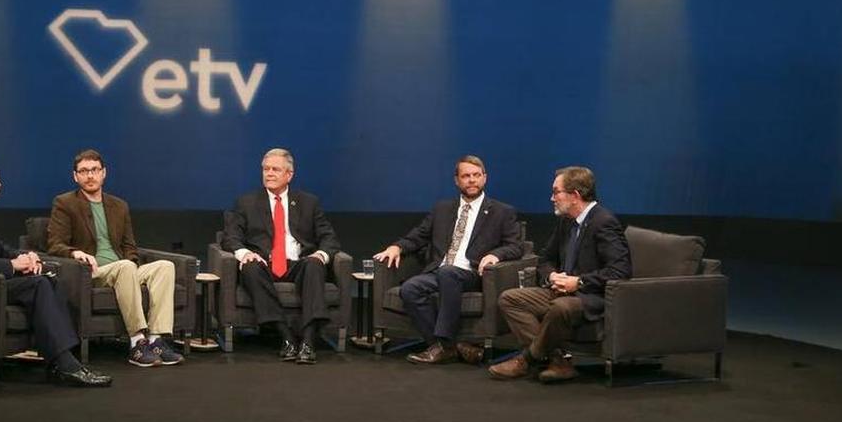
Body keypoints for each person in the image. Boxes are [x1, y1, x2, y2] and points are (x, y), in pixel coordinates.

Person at [0, 155, 111, 387]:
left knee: (49, 279)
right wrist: (13, 266)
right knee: (38, 285)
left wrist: (25, 256)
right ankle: (66, 365)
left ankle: (64, 360)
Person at [373, 155, 524, 365]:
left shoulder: (502, 212)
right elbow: (419, 235)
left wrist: (495, 255)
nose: (472, 180)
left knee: (448, 272)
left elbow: (516, 246)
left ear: (485, 178)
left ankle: (443, 344)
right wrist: (396, 247)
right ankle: (450, 346)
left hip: (473, 274)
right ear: (457, 180)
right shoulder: (442, 209)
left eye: (476, 175)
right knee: (410, 289)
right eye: (466, 176)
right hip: (440, 271)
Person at [489, 166, 631, 383]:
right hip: (562, 290)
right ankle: (557, 360)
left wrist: (579, 282)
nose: (552, 198)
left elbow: (620, 271)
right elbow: (545, 259)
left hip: (592, 296)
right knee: (510, 299)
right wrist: (552, 276)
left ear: (575, 195)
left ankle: (527, 359)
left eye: (556, 192)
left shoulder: (604, 222)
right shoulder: (566, 221)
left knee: (561, 307)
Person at [46, 149, 183, 368]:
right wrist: (75, 253)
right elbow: (55, 244)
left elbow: (129, 246)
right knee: (125, 267)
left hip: (124, 269)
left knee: (165, 267)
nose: (90, 175)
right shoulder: (65, 203)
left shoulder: (119, 206)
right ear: (75, 176)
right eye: (83, 171)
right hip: (93, 272)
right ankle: (137, 342)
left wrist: (133, 265)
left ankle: (156, 340)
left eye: (94, 170)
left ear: (104, 173)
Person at [221, 148, 341, 365]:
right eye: (265, 169)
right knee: (249, 267)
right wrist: (245, 253)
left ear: (289, 174)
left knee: (315, 264)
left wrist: (321, 254)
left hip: (298, 264)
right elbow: (230, 237)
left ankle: (308, 341)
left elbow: (329, 238)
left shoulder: (308, 202)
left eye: (275, 169)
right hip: (264, 264)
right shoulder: (246, 203)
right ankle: (285, 337)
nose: (269, 174)